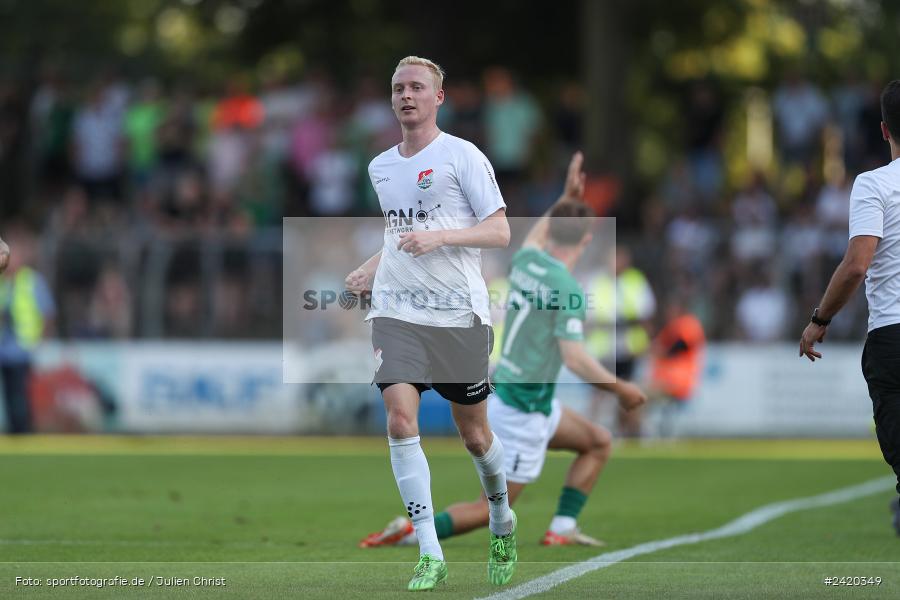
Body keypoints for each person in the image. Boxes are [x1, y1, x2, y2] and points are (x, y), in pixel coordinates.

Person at [359, 152, 646, 550]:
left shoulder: (528, 262)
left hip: (526, 399)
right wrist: (623, 390)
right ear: (586, 239)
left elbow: (539, 235)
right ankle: (410, 532)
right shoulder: (568, 289)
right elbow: (576, 357)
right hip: (523, 410)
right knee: (490, 508)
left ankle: (561, 529)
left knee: (597, 441)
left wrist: (564, 199)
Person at [344, 56, 516, 591]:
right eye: (398, 88)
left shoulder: (462, 156)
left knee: (475, 434)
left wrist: (442, 237)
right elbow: (400, 233)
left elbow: (501, 232)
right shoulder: (380, 166)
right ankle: (429, 550)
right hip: (397, 312)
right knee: (400, 420)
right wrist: (371, 268)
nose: (407, 95)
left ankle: (503, 519)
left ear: (439, 98)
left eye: (417, 87)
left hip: (458, 315)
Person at [799, 80, 900, 536]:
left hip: (893, 337)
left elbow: (857, 266)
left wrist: (819, 319)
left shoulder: (874, 184)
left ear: (883, 130)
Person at [0, 227, 55, 434]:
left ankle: (24, 435)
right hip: (3, 351)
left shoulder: (32, 280)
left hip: (21, 350)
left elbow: (48, 314)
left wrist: (41, 341)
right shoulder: (3, 282)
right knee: (9, 398)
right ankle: (16, 436)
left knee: (20, 398)